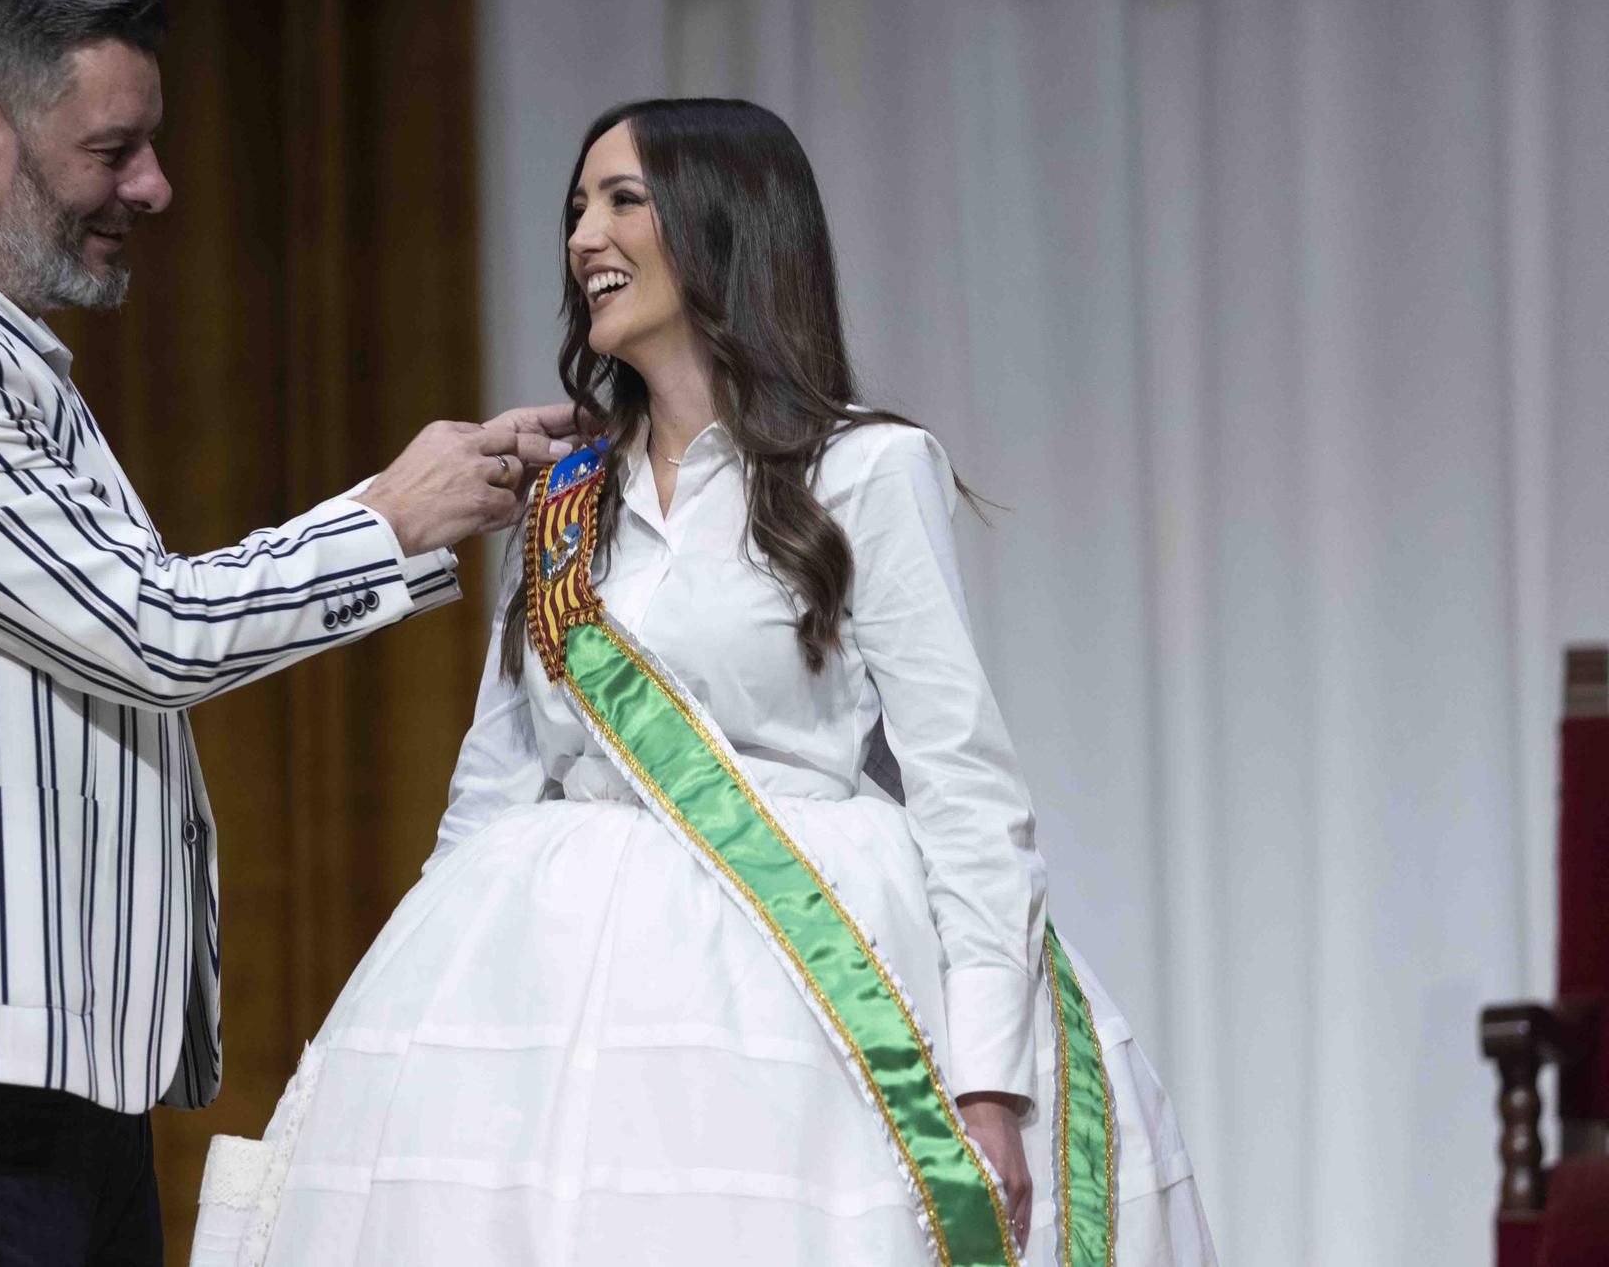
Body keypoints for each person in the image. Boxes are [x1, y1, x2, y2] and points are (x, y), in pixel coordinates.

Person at [191, 99, 1217, 1266]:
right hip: (552, 980)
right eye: (577, 204)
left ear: (727, 229)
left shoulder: (867, 468)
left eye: (623, 199)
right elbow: (493, 784)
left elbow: (963, 785)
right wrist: (413, 1027)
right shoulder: (565, 500)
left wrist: (986, 1084)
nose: (584, 233)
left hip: (802, 979)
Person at [0, 0, 579, 1264]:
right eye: (115, 148)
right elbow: (153, 630)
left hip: (36, 1084)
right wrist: (391, 517)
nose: (155, 186)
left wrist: (406, 501)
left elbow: (131, 617)